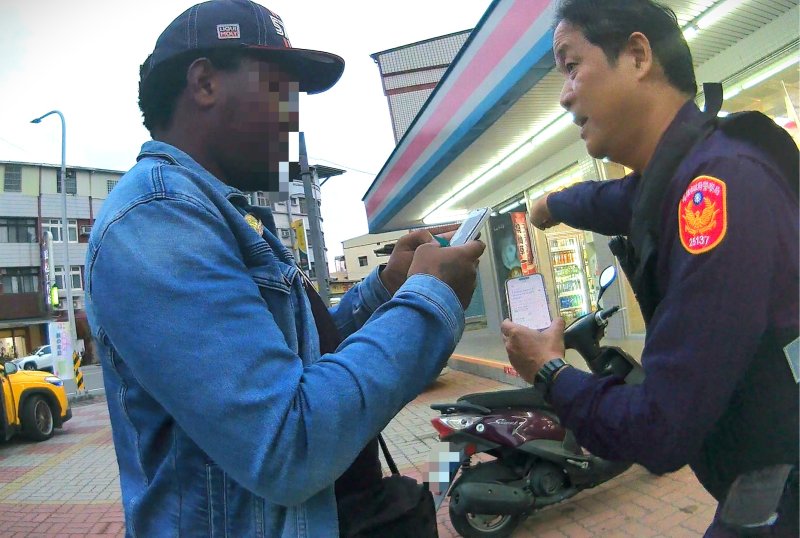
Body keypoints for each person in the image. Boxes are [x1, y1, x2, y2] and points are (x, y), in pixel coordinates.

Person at [85, 1, 484, 536]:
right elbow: (287, 442)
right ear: (204, 83)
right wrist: (430, 301)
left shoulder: (221, 214)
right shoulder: (157, 219)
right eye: (280, 90)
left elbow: (293, 363)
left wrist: (386, 290)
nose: (294, 118)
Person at [500, 0, 798, 536]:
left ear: (638, 56)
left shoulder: (719, 189)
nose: (565, 94)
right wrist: (550, 205)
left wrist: (548, 370)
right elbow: (616, 200)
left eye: (571, 66)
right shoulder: (687, 169)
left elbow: (659, 428)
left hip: (780, 487)